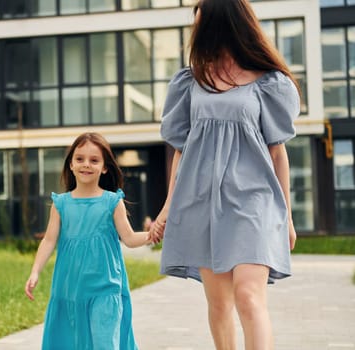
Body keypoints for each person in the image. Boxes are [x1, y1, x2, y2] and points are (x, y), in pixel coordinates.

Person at [152, 1, 300, 349]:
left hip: (254, 200)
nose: (196, 30)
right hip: (202, 199)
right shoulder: (191, 81)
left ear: (224, 22)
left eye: (201, 21)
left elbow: (277, 152)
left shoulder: (268, 83)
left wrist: (287, 216)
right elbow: (181, 151)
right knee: (219, 305)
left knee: (249, 297)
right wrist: (167, 208)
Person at [25, 132, 162, 350]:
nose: (86, 165)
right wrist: (35, 272)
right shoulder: (61, 205)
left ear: (105, 167)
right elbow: (49, 241)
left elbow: (128, 238)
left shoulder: (112, 201)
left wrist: (152, 234)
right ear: (71, 164)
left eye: (94, 160)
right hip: (70, 290)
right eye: (79, 159)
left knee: (105, 343)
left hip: (105, 289)